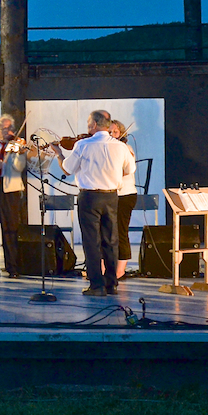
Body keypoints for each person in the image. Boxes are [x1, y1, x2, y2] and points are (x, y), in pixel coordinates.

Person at [50, 111, 135, 297]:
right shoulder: (120, 146)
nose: (88, 126)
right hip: (112, 196)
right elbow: (129, 169)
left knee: (91, 242)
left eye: (89, 122)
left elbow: (68, 168)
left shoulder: (83, 144)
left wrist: (59, 154)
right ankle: (111, 284)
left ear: (95, 124)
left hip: (89, 197)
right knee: (111, 240)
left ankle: (96, 286)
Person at [0, 114, 52, 279]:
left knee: (11, 230)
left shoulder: (17, 145)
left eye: (10, 128)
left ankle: (12, 267)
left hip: (10, 191)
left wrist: (20, 154)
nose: (9, 131)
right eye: (5, 128)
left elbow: (18, 168)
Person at [110, 120, 137, 279]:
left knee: (121, 231)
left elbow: (126, 170)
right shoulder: (107, 148)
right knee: (105, 232)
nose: (112, 135)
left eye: (115, 132)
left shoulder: (126, 148)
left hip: (125, 195)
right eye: (109, 132)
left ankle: (120, 270)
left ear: (121, 133)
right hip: (110, 194)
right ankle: (103, 268)